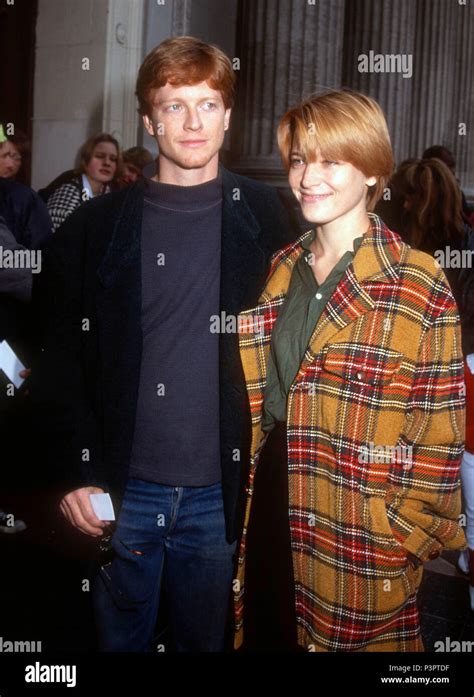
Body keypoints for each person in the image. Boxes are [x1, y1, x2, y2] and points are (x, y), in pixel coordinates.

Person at [31, 36, 296, 652]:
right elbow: (60, 360)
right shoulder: (95, 228)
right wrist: (75, 471)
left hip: (222, 493)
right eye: (174, 106)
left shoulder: (272, 216)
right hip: (124, 490)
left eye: (207, 104)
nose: (193, 121)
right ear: (149, 121)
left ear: (229, 115)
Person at [233, 90, 466, 652]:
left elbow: (440, 435)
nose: (308, 177)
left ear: (371, 172)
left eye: (330, 160)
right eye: (298, 159)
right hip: (267, 502)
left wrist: (400, 537)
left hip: (359, 519)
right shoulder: (280, 268)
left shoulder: (417, 279)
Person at [393, 157, 474, 610]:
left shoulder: (405, 250)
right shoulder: (465, 246)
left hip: (418, 381)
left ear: (413, 202)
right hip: (458, 381)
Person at [46, 133, 121, 232]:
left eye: (113, 159)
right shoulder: (68, 194)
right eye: (99, 156)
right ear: (85, 161)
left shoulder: (107, 192)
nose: (107, 163)